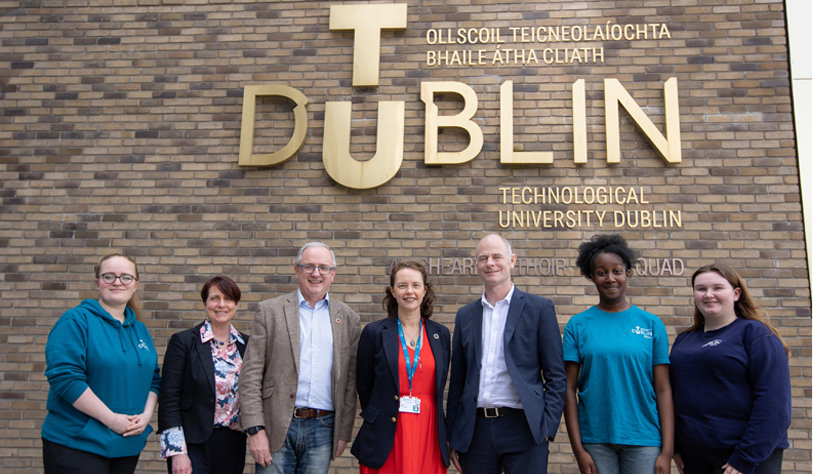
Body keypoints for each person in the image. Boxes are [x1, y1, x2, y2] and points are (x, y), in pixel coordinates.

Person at [446, 234, 566, 474]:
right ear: (477, 265)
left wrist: (547, 426)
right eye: (483, 258)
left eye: (496, 257)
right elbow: (458, 380)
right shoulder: (465, 315)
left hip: (524, 427)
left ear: (512, 261)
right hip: (475, 430)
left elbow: (556, 375)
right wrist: (453, 435)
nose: (490, 263)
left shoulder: (539, 309)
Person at [240, 241, 362, 474]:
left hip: (324, 428)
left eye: (323, 268)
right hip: (276, 425)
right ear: (297, 271)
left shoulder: (348, 319)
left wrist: (342, 433)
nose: (316, 273)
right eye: (309, 266)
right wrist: (255, 429)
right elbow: (250, 376)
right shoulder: (270, 311)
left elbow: (349, 383)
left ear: (332, 275)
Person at [563, 234, 674, 474]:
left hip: (644, 438)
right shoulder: (578, 325)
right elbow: (568, 389)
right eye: (601, 272)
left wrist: (667, 451)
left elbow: (664, 389)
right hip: (595, 439)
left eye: (617, 271)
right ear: (592, 276)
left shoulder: (652, 324)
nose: (610, 278)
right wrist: (578, 449)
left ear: (628, 274)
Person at [42, 254, 161, 474]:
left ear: (136, 284)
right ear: (97, 282)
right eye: (109, 276)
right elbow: (65, 378)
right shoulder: (76, 321)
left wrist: (145, 417)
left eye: (126, 277)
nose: (117, 282)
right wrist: (112, 420)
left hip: (127, 444)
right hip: (78, 443)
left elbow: (154, 379)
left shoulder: (139, 330)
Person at [670, 264, 791, 474]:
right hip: (694, 453)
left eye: (717, 288)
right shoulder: (684, 341)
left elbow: (774, 402)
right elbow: (674, 395)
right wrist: (676, 446)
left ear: (736, 294)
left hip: (743, 455)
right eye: (701, 289)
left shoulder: (756, 334)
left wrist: (746, 457)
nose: (708, 295)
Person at [351, 261, 451, 473]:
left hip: (428, 428)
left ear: (425, 290)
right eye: (402, 285)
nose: (409, 292)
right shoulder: (374, 333)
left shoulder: (440, 334)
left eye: (415, 285)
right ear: (393, 291)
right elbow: (364, 385)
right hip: (386, 429)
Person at [158, 276, 250, 474]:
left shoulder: (247, 345)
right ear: (205, 303)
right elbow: (169, 398)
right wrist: (176, 452)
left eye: (228, 299)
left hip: (233, 443)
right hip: (192, 443)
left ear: (236, 304)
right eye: (215, 298)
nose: (221, 305)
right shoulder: (183, 342)